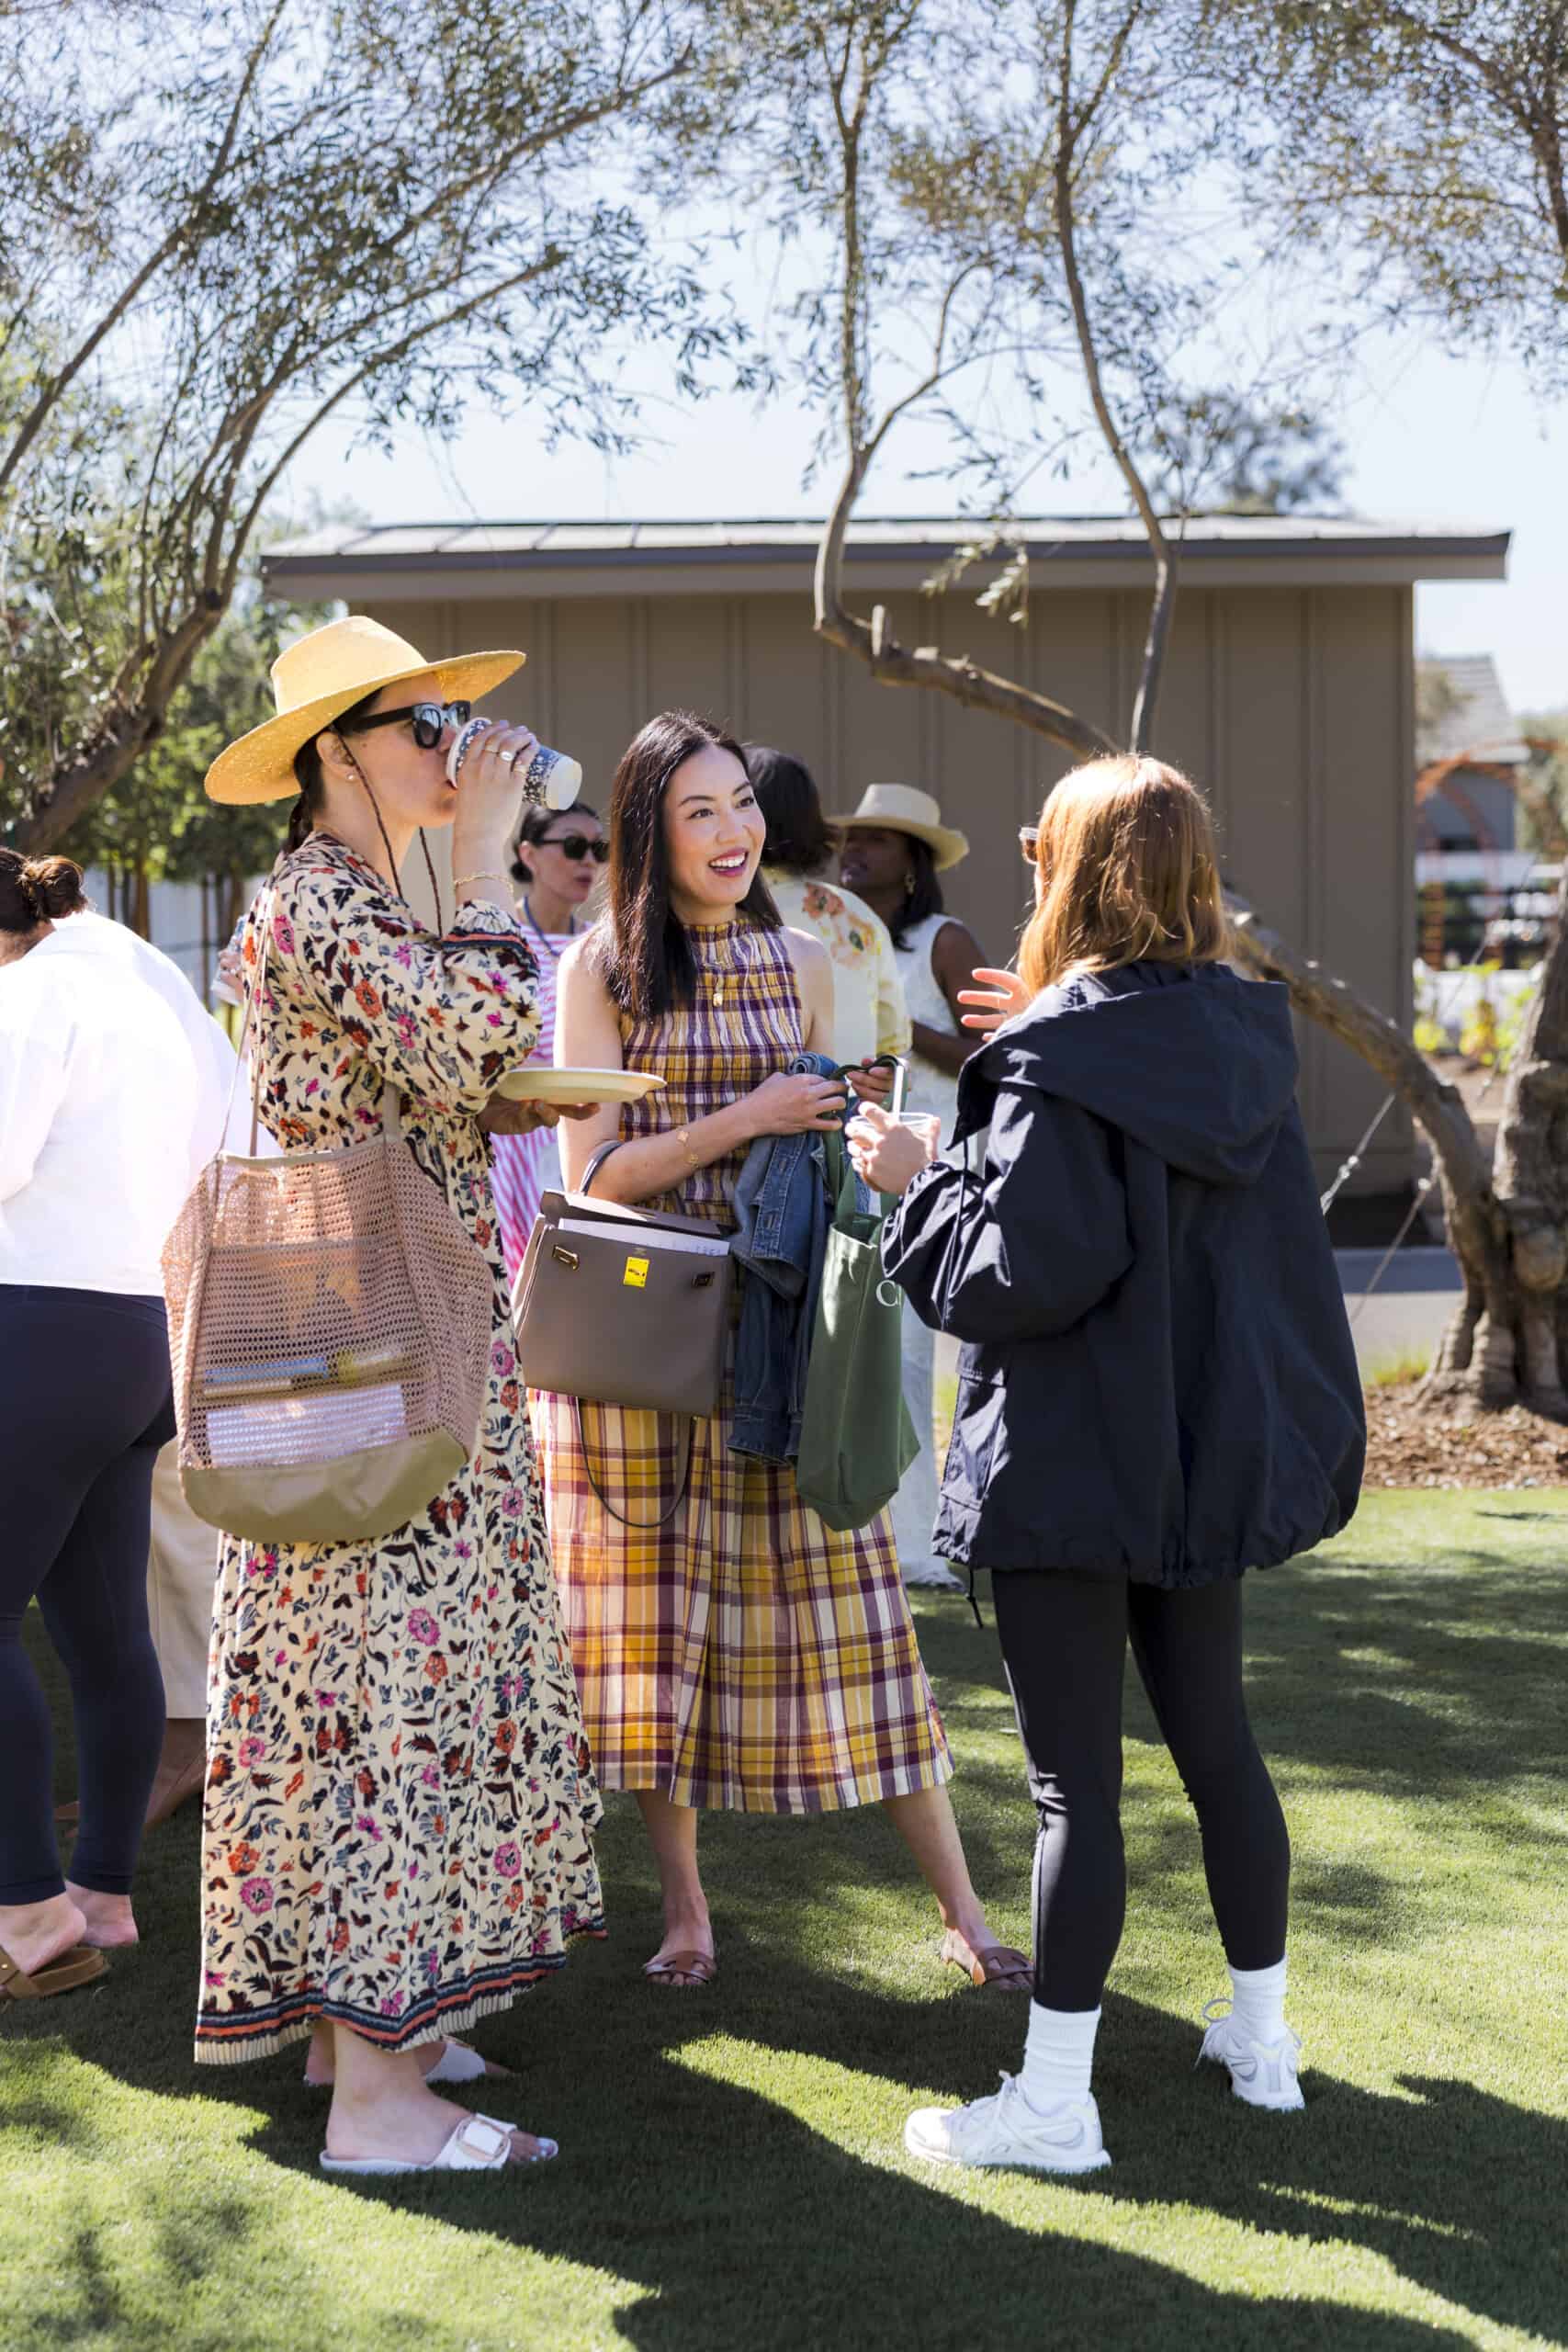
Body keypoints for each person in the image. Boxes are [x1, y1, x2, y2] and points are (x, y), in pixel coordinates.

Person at [850, 755, 1364, 2174]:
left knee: (1073, 1787)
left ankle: (1053, 2106)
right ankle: (1259, 2039)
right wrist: (1032, 1050)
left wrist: (913, 1180)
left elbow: (1017, 1278)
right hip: (1201, 1455)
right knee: (1217, 1747)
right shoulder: (1236, 1036)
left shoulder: (1053, 1058)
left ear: (1060, 868)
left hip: (1070, 1460)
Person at [197, 613, 604, 2175]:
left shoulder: (360, 900)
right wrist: (492, 858)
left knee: (375, 1681)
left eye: (454, 724)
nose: (458, 749)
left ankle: (356, 2035)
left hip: (390, 1337)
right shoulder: (320, 902)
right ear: (334, 756)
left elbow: (457, 1066)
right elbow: (483, 1022)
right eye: (422, 728)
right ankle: (377, 2102)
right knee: (388, 1692)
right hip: (373, 1350)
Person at [533, 709, 1027, 1994]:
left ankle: (965, 1916)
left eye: (740, 805)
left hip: (779, 1335)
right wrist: (744, 1118)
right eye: (697, 811)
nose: (731, 832)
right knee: (653, 1640)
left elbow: (831, 1142)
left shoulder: (805, 960)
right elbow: (592, 1177)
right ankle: (686, 1911)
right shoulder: (600, 969)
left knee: (859, 1618)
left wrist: (863, 1140)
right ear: (650, 831)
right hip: (643, 1345)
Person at [0, 852, 198, 2004]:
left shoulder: (32, 993)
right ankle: (103, 1895)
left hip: (38, 1329)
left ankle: (29, 1918)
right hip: (140, 1332)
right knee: (107, 1635)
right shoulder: (145, 985)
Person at [837, 785, 985, 1594]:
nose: (853, 853)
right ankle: (861, 1530)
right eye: (850, 839)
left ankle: (920, 1542)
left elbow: (993, 1054)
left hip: (933, 1168)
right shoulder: (834, 933)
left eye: (876, 841)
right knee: (857, 1356)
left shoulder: (943, 940)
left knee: (909, 1355)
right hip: (851, 1162)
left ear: (912, 862)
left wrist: (898, 1031)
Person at [488, 798, 606, 1283]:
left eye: (598, 849)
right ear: (529, 854)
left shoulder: (603, 946)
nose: (589, 862)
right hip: (511, 1136)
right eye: (574, 847)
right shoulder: (501, 941)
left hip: (582, 1131)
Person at [744, 743, 911, 1075]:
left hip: (754, 1104)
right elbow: (894, 1038)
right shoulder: (858, 915)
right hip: (850, 1101)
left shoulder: (717, 910)